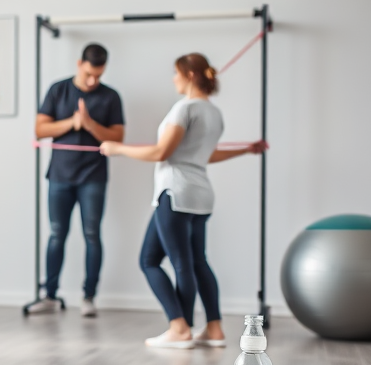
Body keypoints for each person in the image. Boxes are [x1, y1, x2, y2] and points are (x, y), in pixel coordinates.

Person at [99, 53, 267, 348]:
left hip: (175, 192)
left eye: (176, 73)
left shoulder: (184, 108)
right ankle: (214, 329)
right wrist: (247, 150)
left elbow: (161, 153)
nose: (173, 79)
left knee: (156, 261)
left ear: (189, 75)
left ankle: (180, 328)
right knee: (195, 261)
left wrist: (118, 149)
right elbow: (205, 155)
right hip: (201, 194)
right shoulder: (214, 113)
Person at [31, 43, 125, 317]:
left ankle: (89, 297)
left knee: (92, 234)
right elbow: (40, 129)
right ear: (79, 64)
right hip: (60, 175)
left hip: (93, 177)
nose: (93, 80)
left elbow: (118, 138)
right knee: (57, 233)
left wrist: (90, 124)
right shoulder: (57, 89)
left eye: (98, 75)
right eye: (88, 74)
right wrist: (72, 123)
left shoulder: (111, 97)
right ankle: (49, 295)